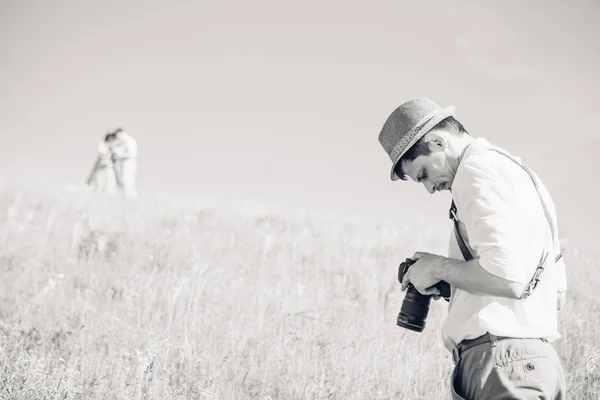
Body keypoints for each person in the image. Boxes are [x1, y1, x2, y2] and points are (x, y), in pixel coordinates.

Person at [378, 97, 567, 399]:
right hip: (534, 362)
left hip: (502, 364)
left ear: (437, 142)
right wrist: (450, 284)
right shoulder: (521, 175)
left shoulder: (474, 171)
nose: (429, 189)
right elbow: (552, 293)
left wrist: (438, 267)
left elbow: (508, 278)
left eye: (424, 173)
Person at [109, 127, 138, 198]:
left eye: (118, 136)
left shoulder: (130, 141)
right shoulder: (125, 143)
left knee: (129, 183)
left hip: (130, 164)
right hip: (125, 164)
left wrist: (119, 156)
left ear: (121, 133)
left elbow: (132, 154)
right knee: (125, 182)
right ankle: (127, 199)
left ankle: (131, 199)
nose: (118, 138)